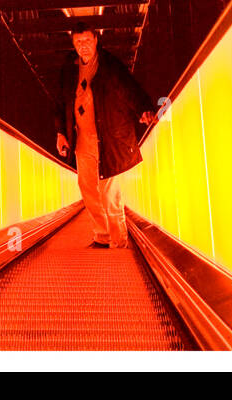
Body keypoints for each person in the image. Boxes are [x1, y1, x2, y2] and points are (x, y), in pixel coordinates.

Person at [55, 22, 157, 249]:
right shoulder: (69, 69)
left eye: (88, 41)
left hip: (107, 137)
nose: (84, 46)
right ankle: (102, 236)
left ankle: (119, 240)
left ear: (96, 40)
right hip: (81, 139)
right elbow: (60, 103)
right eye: (79, 42)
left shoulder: (109, 65)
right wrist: (61, 132)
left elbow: (129, 88)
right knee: (87, 188)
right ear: (73, 43)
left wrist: (144, 109)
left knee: (109, 192)